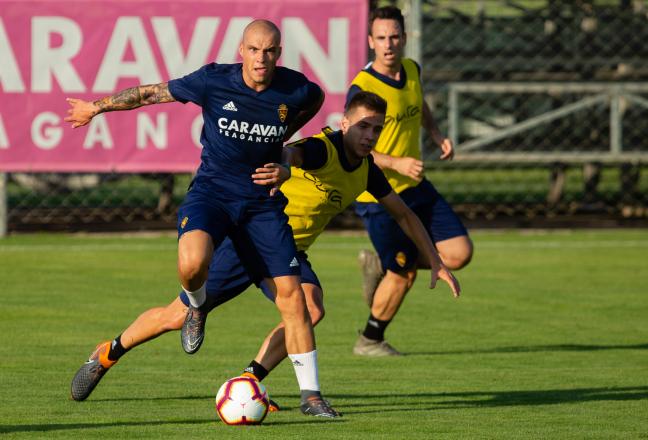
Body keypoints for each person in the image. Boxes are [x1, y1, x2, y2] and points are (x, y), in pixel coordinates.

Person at [70, 92, 460, 415]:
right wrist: (285, 168)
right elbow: (292, 153)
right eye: (363, 126)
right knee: (175, 315)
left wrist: (437, 260)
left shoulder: (367, 170)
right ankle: (108, 353)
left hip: (288, 249)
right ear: (345, 124)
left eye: (377, 129)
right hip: (250, 243)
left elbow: (405, 215)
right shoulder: (322, 149)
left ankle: (252, 381)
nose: (369, 135)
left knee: (311, 309)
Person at [65, 20, 337, 417]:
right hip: (213, 196)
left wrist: (281, 153)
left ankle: (311, 397)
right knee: (188, 277)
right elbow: (149, 94)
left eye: (270, 51)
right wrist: (97, 107)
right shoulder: (213, 80)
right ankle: (110, 352)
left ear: (279, 53)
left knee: (298, 301)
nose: (262, 58)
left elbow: (310, 106)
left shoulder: (299, 89)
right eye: (254, 49)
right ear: (241, 50)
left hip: (261, 210)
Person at [347, 6, 474, 356]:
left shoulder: (411, 70)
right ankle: (370, 339)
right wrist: (396, 162)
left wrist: (435, 134)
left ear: (405, 38)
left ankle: (382, 263)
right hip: (378, 195)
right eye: (381, 38)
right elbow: (353, 147)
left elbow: (418, 105)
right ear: (371, 41)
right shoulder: (363, 88)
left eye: (395, 37)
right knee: (404, 273)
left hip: (415, 187)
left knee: (460, 253)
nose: (389, 44)